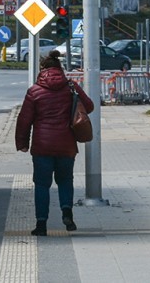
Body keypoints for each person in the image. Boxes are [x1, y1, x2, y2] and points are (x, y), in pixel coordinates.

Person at [15, 50, 94, 237]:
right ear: (60, 68)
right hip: (66, 145)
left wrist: (22, 143)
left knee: (42, 184)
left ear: (42, 70)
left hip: (42, 146)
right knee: (65, 180)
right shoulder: (71, 86)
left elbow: (24, 120)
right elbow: (89, 106)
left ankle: (41, 225)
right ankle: (67, 214)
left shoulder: (34, 91)